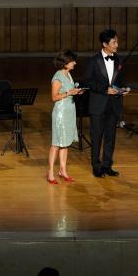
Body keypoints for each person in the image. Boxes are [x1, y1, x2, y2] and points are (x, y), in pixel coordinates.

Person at [82, 29, 129, 178]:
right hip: (98, 105)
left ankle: (107, 165)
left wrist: (124, 88)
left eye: (117, 41)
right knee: (96, 137)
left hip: (113, 105)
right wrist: (104, 89)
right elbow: (88, 82)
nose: (117, 45)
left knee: (110, 137)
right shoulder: (93, 61)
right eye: (114, 42)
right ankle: (96, 166)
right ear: (104, 44)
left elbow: (121, 79)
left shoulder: (119, 60)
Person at [48, 50, 82, 184]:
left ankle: (63, 170)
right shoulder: (58, 77)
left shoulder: (68, 74)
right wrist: (69, 92)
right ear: (66, 62)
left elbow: (68, 91)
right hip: (61, 113)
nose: (75, 63)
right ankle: (50, 172)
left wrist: (76, 92)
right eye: (73, 61)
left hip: (69, 112)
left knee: (65, 143)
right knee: (56, 143)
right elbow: (54, 97)